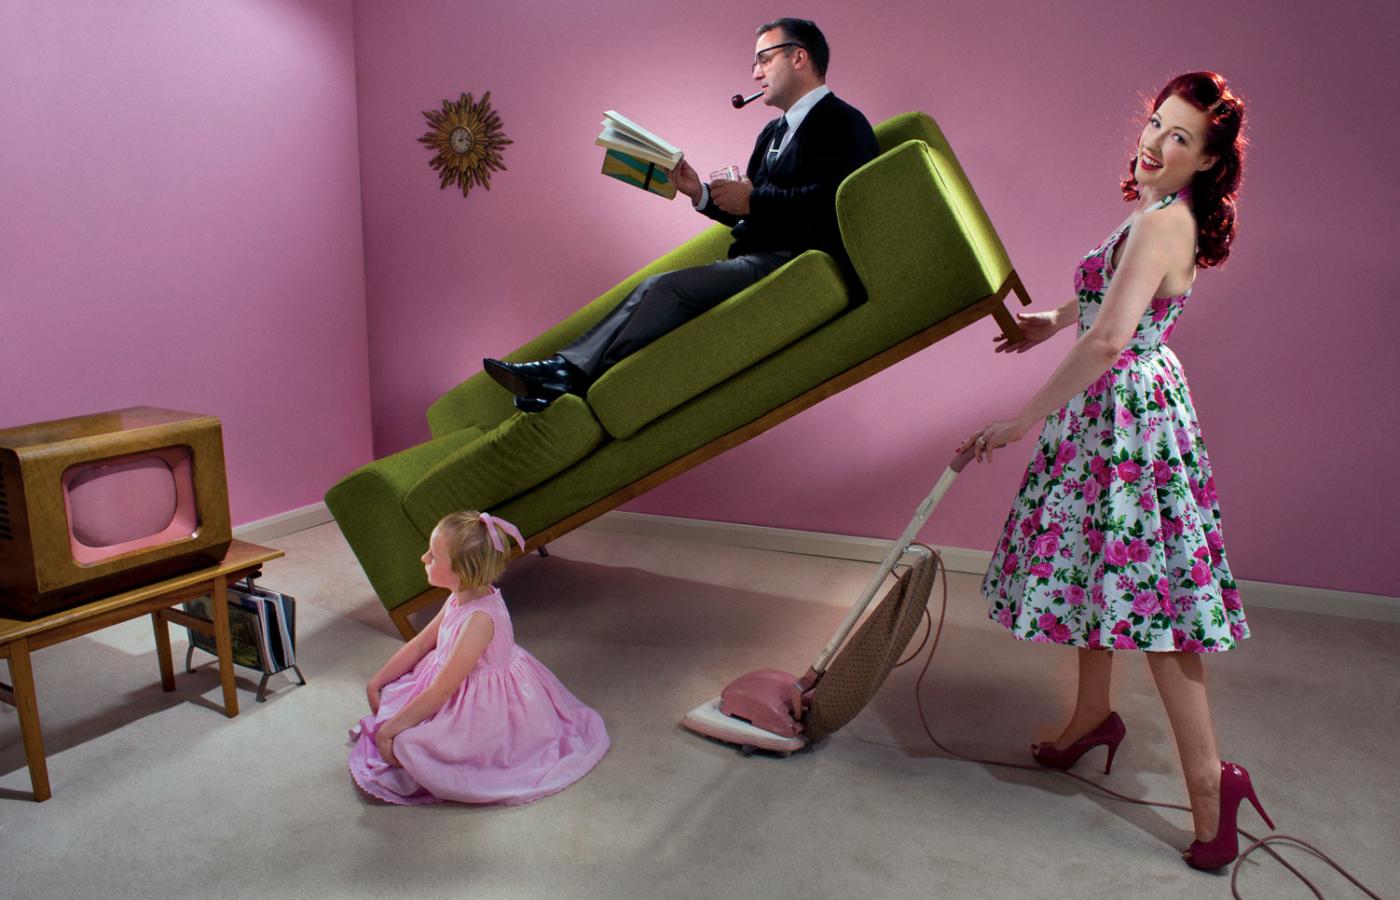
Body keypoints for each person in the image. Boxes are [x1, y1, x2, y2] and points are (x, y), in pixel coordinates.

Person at [959, 73, 1267, 870]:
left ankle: (1212, 786)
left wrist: (1021, 420)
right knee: (1100, 572)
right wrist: (1050, 319)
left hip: (1129, 416)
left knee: (1157, 605)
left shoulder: (1166, 221)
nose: (1156, 142)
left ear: (1208, 161)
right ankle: (1092, 716)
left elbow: (1108, 341)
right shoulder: (1158, 212)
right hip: (1112, 411)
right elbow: (1111, 299)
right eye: (1157, 123)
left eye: (1180, 137)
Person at [484, 17, 880, 412]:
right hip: (759, 257)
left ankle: (570, 376)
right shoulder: (772, 133)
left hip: (796, 261)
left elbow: (837, 200)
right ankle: (567, 375)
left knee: (664, 289)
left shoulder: (844, 122)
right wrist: (700, 193)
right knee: (653, 289)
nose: (755, 73)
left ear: (799, 58)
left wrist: (753, 201)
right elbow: (756, 211)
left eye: (764, 59)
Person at [348, 511, 609, 805]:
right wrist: (376, 682)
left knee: (407, 744)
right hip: (449, 682)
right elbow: (421, 644)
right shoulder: (458, 597)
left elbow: (442, 690)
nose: (423, 558)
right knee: (398, 708)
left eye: (433, 556)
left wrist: (387, 733)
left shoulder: (480, 619)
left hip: (483, 705)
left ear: (461, 571)